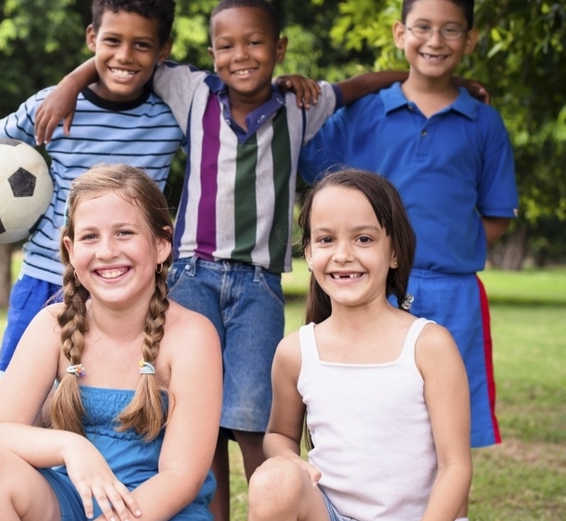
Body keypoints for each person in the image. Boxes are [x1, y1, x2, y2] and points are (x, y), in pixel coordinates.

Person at [33, 1, 411, 517]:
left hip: (259, 283)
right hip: (192, 272)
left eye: (255, 43)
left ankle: (272, 508)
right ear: (211, 53)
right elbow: (120, 56)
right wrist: (68, 85)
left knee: (254, 417)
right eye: (226, 46)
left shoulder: (301, 105)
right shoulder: (190, 91)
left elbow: (360, 84)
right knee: (197, 418)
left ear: (279, 49)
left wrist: (431, 81)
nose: (241, 55)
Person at [299, 2, 516, 516]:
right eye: (422, 28)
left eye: (450, 30)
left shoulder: (483, 122)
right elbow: (310, 164)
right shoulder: (366, 112)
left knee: (447, 425)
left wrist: (441, 248)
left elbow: (496, 213)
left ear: (471, 39)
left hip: (453, 291)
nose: (435, 40)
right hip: (369, 285)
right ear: (400, 33)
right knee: (369, 408)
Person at [0, 164, 222, 521]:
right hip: (71, 502)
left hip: (156, 511)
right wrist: (70, 447)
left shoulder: (192, 336)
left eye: (124, 233)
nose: (106, 251)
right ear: (71, 251)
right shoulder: (52, 326)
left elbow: (180, 476)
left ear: (161, 244)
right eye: (90, 237)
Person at [0, 0, 184, 380]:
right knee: (24, 401)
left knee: (108, 395)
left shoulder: (172, 116)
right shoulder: (56, 106)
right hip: (47, 276)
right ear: (91, 37)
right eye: (112, 40)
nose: (125, 56)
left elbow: (228, 94)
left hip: (127, 284)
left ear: (164, 50)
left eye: (142, 45)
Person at [247, 169, 472, 521]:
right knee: (272, 481)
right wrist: (289, 460)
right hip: (333, 514)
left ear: (394, 251)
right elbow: (278, 434)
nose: (343, 254)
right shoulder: (296, 352)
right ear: (308, 253)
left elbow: (455, 466)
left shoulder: (429, 346)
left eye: (363, 239)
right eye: (325, 240)